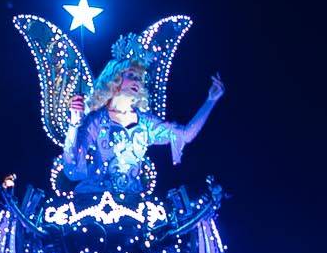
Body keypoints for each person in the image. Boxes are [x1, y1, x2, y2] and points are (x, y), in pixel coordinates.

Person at [59, 35, 223, 200]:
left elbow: (186, 135)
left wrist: (211, 100)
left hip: (133, 201)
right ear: (115, 78)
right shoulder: (96, 121)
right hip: (96, 198)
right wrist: (74, 124)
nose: (137, 81)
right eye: (131, 75)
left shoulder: (146, 123)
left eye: (139, 78)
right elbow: (72, 169)